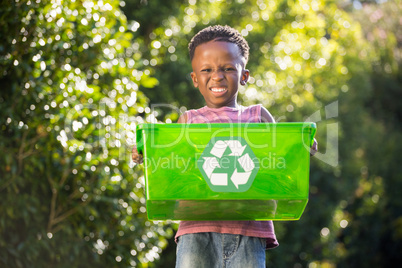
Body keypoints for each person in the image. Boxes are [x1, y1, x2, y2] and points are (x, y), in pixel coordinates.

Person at [132, 25, 318, 268]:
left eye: (228, 68)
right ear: (195, 78)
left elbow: (280, 162)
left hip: (249, 229)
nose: (217, 76)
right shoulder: (189, 120)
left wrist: (300, 148)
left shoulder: (258, 116)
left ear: (244, 75)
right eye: (206, 69)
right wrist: (146, 154)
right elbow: (173, 166)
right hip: (196, 229)